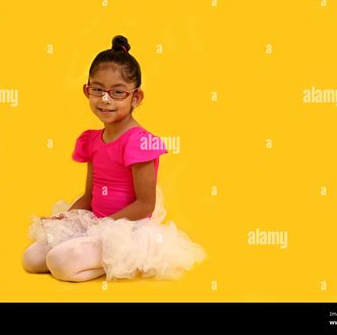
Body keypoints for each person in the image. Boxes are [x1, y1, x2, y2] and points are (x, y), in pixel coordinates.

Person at [22, 35, 206, 282]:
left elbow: (145, 204)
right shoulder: (92, 140)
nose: (105, 99)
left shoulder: (139, 141)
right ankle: (86, 251)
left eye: (117, 92)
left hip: (126, 228)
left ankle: (123, 260)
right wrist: (65, 219)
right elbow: (90, 196)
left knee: (58, 262)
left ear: (136, 98)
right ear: (87, 90)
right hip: (96, 223)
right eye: (98, 90)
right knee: (31, 259)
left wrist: (103, 227)